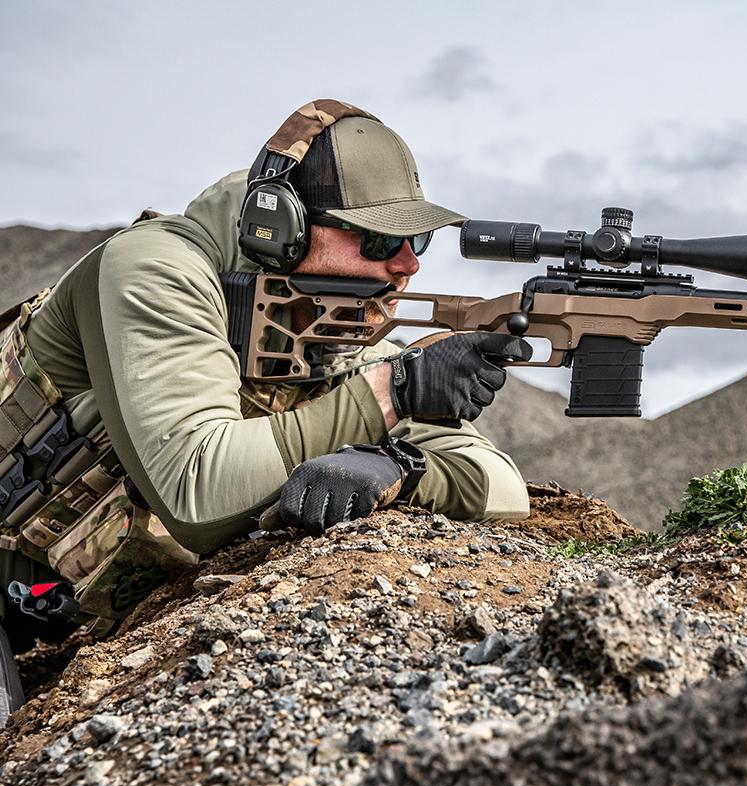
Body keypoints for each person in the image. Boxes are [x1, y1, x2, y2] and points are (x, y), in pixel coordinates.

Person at [0, 100, 531, 720]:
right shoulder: (155, 270)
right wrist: (394, 394)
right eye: (381, 238)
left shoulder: (335, 331)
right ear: (280, 227)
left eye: (417, 239)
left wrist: (396, 466)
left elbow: (501, 488)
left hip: (48, 600)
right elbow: (197, 493)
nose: (407, 264)